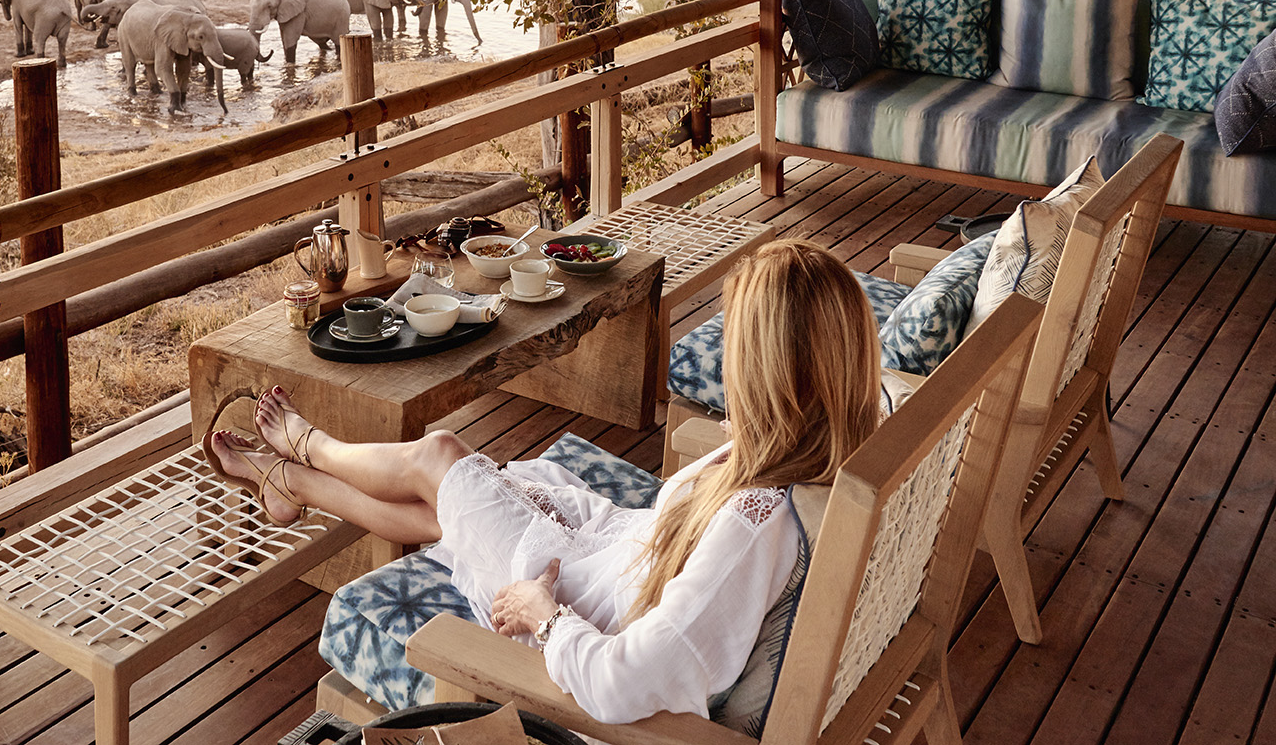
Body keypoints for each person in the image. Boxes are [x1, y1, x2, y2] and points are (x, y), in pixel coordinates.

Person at [204, 238, 881, 725]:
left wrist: (543, 616)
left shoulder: (753, 526)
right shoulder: (829, 439)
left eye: (737, 347)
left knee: (441, 457)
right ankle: (288, 480)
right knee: (457, 503)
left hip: (570, 607)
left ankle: (306, 447)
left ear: (769, 372)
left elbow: (626, 684)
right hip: (607, 555)